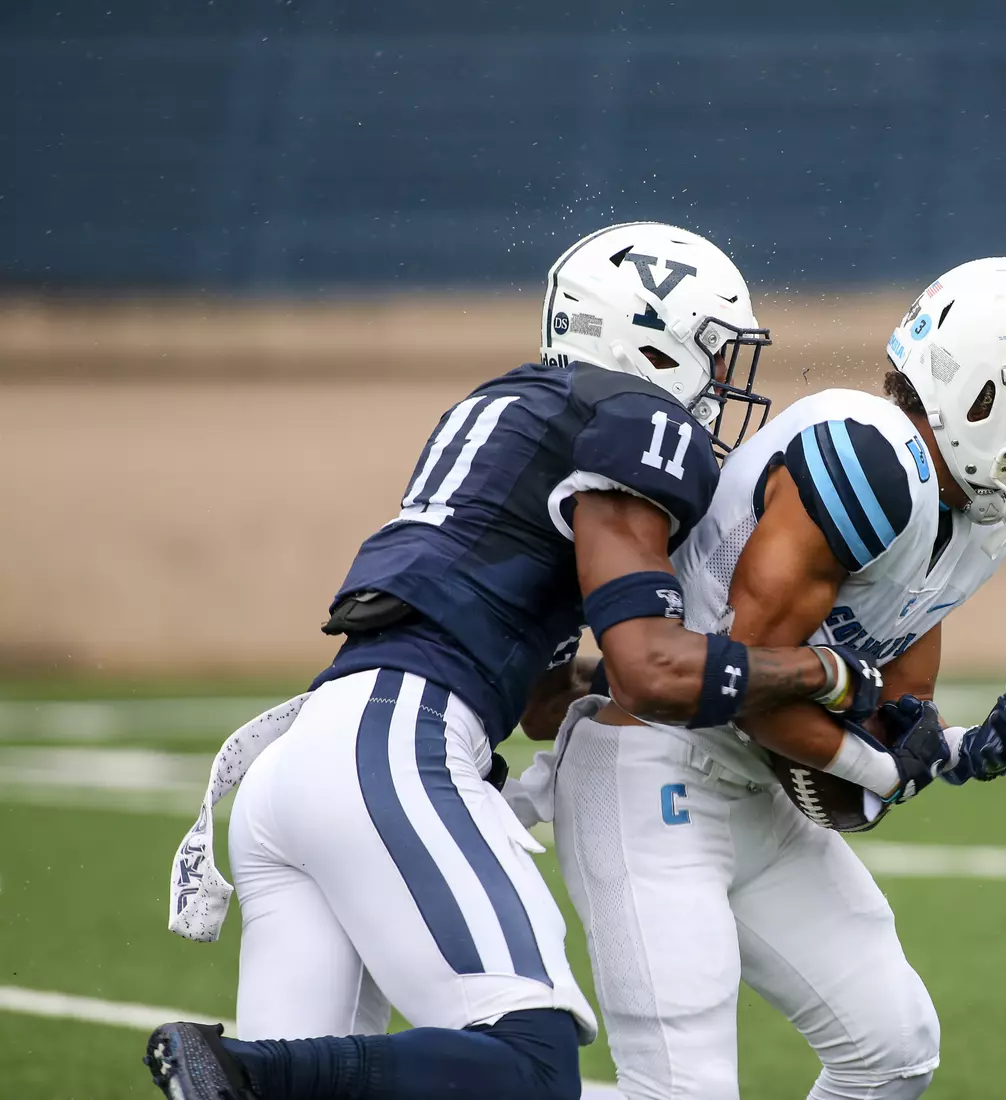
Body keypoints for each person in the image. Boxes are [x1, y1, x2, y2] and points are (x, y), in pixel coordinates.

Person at [143, 222, 887, 1100]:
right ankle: (245, 1072)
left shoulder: (512, 403)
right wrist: (827, 675)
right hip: (394, 748)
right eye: (712, 354)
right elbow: (657, 669)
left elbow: (535, 694)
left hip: (309, 759)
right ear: (648, 338)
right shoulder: (636, 416)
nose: (722, 386)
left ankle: (249, 1078)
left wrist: (589, 677)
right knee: (530, 1067)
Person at [528, 257, 1006, 1100]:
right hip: (653, 762)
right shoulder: (872, 460)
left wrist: (940, 750)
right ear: (983, 400)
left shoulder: (961, 527)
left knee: (894, 1048)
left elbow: (858, 758)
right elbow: (743, 690)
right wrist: (886, 764)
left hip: (750, 791)